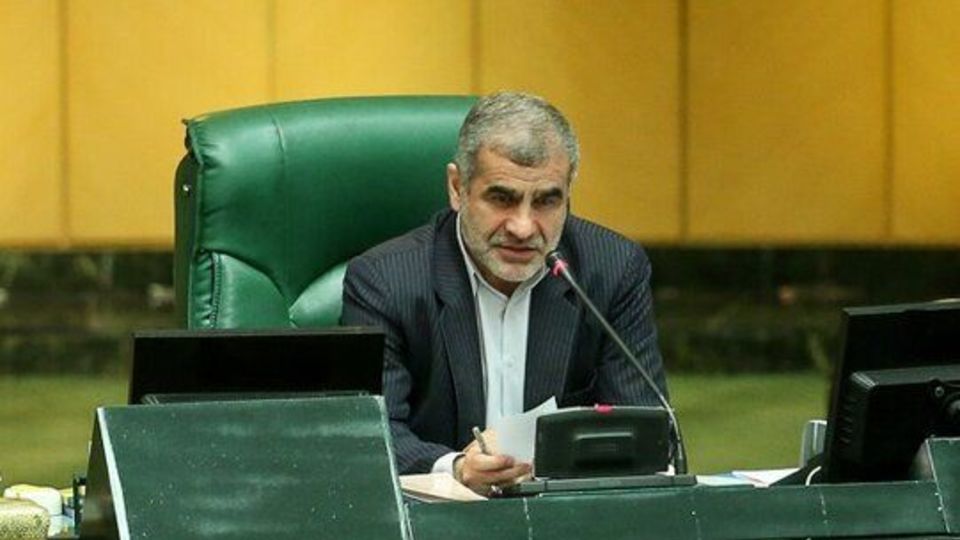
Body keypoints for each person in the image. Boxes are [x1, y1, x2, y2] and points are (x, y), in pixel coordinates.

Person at [341, 91, 668, 495]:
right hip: (439, 515)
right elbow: (371, 432)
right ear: (457, 187)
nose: (523, 227)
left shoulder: (611, 269)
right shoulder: (385, 281)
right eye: (502, 199)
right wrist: (456, 468)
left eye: (546, 201)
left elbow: (643, 430)